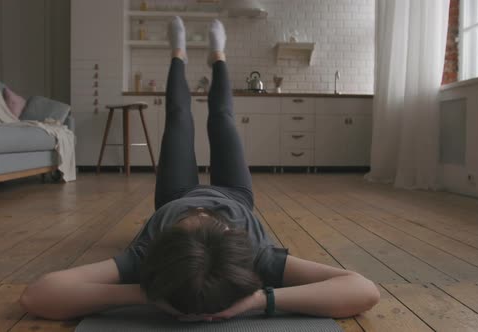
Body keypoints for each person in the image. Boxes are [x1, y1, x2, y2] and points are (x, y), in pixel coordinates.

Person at [19, 18, 380, 322]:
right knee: (222, 118)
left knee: (179, 119)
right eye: (216, 225)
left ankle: (177, 54)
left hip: (172, 196)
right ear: (234, 239)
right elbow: (364, 290)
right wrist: (259, 300)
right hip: (237, 195)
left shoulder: (147, 256)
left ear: (165, 246)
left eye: (192, 223)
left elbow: (38, 296)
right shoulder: (256, 254)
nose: (204, 210)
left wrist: (147, 294)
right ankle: (218, 56)